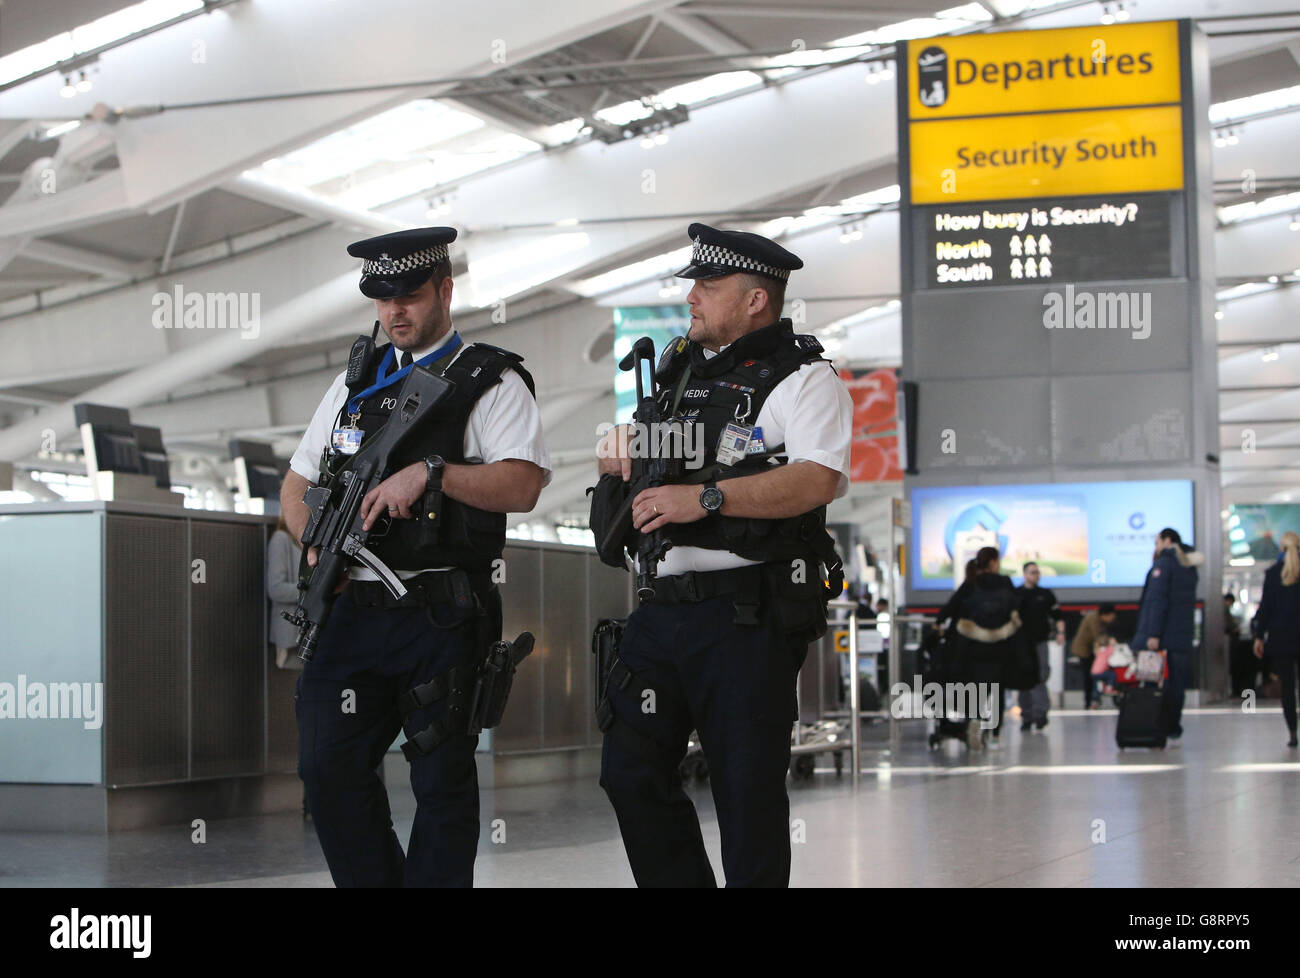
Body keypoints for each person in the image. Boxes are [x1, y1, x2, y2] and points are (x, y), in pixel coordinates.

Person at [281, 227, 550, 887]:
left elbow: (523, 483)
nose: (395, 310)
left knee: (440, 780)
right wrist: (314, 543)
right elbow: (295, 483)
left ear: (445, 289)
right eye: (382, 298)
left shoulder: (492, 380)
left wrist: (434, 474)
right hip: (354, 609)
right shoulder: (354, 384)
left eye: (410, 295)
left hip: (442, 615)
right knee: (327, 766)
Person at [593, 223, 851, 887]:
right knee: (629, 770)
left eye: (709, 285)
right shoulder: (678, 375)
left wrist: (704, 499)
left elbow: (817, 478)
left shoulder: (804, 379)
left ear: (756, 300)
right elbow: (653, 468)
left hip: (746, 619)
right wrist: (625, 450)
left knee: (747, 795)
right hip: (659, 615)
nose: (693, 297)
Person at [1131, 527, 1203, 746]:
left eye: (1157, 542)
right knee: (1177, 684)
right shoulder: (1189, 567)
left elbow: (1157, 601)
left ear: (1167, 540)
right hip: (1181, 636)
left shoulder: (1164, 564)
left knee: (1153, 684)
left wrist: (1152, 633)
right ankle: (1173, 726)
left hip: (1160, 637)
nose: (1156, 547)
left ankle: (1155, 727)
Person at [947, 546, 1021, 749]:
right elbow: (1016, 608)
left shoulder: (971, 583)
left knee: (977, 688)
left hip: (974, 644)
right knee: (996, 690)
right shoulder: (1005, 583)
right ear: (994, 562)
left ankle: (974, 720)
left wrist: (939, 624)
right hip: (999, 644)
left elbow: (952, 607)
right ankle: (994, 735)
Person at [1252, 531, 1300, 746]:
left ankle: (1292, 733)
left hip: (1281, 639)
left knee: (1287, 688)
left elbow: (1265, 608)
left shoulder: (1272, 574)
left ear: (1281, 548)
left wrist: (1258, 636)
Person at [1015, 561, 1059, 731]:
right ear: (1025, 574)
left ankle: (1041, 714)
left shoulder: (1045, 594)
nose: (1036, 575)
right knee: (1023, 678)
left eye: (1037, 572)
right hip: (1021, 644)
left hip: (1040, 641)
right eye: (1032, 572)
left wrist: (1060, 633)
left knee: (1040, 677)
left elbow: (1057, 615)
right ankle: (1026, 715)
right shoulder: (1016, 594)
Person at [267, 513, 305, 671]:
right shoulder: (281, 539)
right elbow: (276, 589)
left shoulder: (307, 540)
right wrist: (311, 592)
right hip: (292, 634)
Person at [1072, 602, 1117, 708]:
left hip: (1089, 651)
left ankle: (1092, 700)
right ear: (1106, 614)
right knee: (1089, 677)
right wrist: (1109, 641)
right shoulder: (1094, 619)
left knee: (1090, 676)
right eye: (1111, 616)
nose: (1112, 619)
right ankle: (1089, 701)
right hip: (1084, 651)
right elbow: (1097, 636)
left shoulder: (1097, 619)